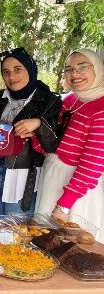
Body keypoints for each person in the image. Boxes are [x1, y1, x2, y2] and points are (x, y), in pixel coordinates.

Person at [0, 48, 61, 216]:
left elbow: (53, 145)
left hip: (21, 180)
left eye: (17, 69)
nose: (12, 77)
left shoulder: (49, 101)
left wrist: (38, 124)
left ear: (30, 68)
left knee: (15, 236)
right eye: (6, 72)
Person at [36, 49, 104, 240]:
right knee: (44, 241)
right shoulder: (70, 100)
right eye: (69, 69)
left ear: (97, 68)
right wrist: (36, 131)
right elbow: (51, 144)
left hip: (77, 191)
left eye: (82, 67)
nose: (75, 74)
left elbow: (93, 164)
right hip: (52, 179)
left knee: (71, 247)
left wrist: (64, 205)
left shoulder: (101, 108)